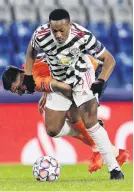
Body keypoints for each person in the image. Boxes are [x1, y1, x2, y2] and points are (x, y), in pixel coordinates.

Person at [13, 9, 125, 179]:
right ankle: (95, 136)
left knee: (90, 123)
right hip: (60, 79)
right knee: (52, 130)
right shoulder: (40, 35)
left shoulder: (83, 36)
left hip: (82, 77)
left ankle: (115, 169)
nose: (57, 34)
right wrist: (28, 75)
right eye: (54, 30)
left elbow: (109, 59)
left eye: (61, 30)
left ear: (69, 25)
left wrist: (100, 81)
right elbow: (31, 51)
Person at [2, 56, 129, 173]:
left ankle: (98, 146)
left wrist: (85, 110)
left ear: (22, 74)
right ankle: (115, 152)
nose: (20, 93)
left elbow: (64, 86)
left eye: (19, 88)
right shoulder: (30, 67)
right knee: (69, 119)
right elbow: (52, 69)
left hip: (92, 73)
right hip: (82, 72)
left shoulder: (36, 79)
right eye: (16, 91)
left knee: (72, 116)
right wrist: (46, 93)